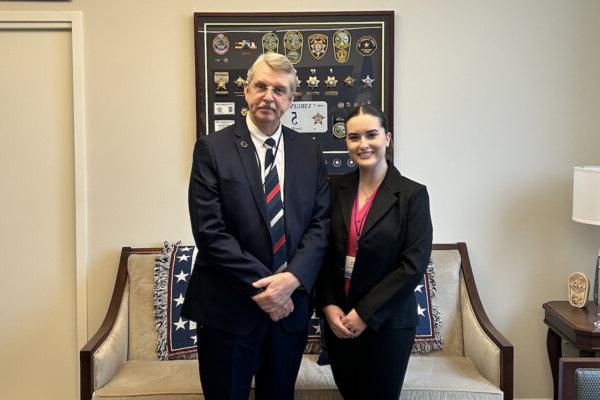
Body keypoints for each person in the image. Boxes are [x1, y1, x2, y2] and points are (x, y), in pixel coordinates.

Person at [182, 52, 330, 400]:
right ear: (246, 90)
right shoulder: (212, 149)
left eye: (279, 90)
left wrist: (291, 281)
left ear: (291, 100)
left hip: (289, 311)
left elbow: (320, 226)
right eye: (261, 86)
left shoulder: (310, 152)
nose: (269, 96)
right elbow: (210, 232)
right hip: (229, 308)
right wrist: (268, 290)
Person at [316, 105, 433, 399]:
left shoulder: (412, 195)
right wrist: (329, 306)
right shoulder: (333, 188)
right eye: (354, 137)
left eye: (372, 135)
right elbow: (321, 253)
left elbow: (412, 265)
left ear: (387, 138)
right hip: (339, 322)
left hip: (388, 326)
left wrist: (364, 314)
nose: (363, 144)